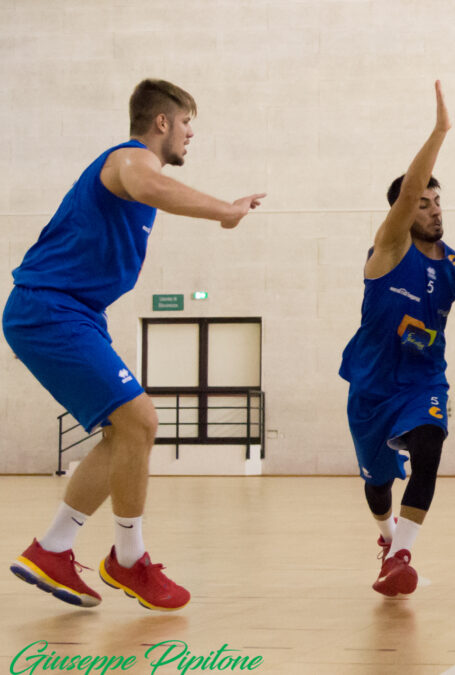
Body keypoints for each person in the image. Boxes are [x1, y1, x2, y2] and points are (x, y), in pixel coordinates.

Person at [5, 79, 266, 611]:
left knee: (123, 433)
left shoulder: (134, 170)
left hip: (75, 313)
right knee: (143, 421)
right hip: (49, 309)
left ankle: (52, 549)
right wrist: (223, 209)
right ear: (162, 122)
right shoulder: (129, 160)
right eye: (188, 123)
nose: (192, 135)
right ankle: (128, 560)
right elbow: (150, 186)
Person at [339, 81, 455, 597]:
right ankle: (389, 538)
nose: (434, 209)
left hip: (422, 384)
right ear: (403, 212)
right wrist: (440, 132)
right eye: (423, 203)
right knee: (376, 486)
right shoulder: (388, 248)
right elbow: (408, 191)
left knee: (431, 446)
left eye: (439, 202)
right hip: (370, 389)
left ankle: (403, 555)